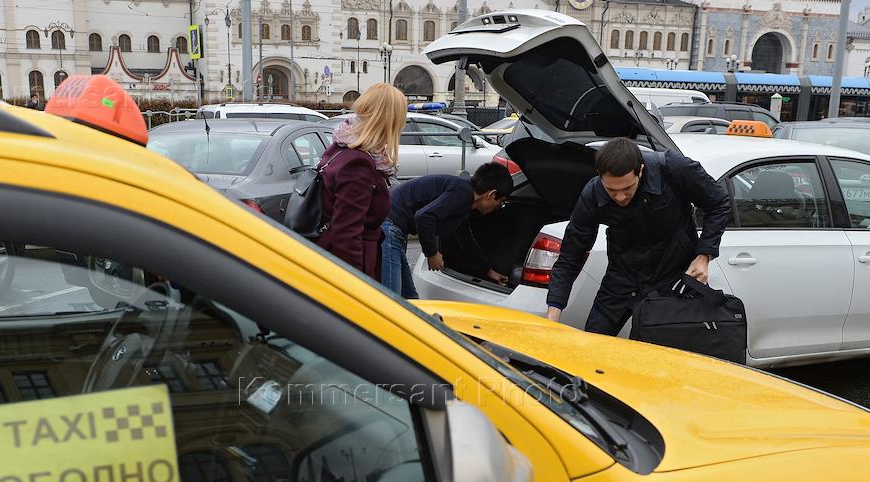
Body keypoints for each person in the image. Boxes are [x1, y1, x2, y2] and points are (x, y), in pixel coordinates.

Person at [545, 137, 732, 336]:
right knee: (593, 343)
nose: (619, 197)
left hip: (674, 278)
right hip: (622, 279)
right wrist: (553, 313)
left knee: (667, 354)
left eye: (627, 189)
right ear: (600, 177)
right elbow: (571, 254)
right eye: (611, 190)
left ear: (640, 170)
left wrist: (704, 255)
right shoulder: (592, 195)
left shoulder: (673, 169)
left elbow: (719, 203)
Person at [314, 83, 406, 281]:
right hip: (355, 264)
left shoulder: (341, 146)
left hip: (334, 255)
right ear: (390, 120)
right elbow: (346, 233)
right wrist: (357, 284)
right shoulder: (358, 163)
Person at [381, 162, 514, 297]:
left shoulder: (464, 200)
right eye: (500, 202)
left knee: (409, 298)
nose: (497, 208)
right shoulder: (462, 192)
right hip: (389, 226)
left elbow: (466, 240)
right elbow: (424, 217)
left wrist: (488, 271)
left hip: (392, 226)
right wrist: (432, 253)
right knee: (391, 299)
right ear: (491, 194)